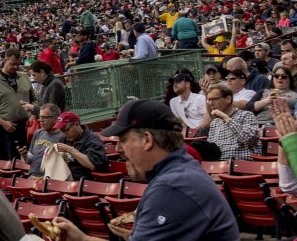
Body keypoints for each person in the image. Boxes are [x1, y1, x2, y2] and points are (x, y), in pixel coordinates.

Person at [54, 99, 239, 240]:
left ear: (148, 140)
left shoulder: (171, 187)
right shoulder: (179, 171)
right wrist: (83, 238)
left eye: (124, 140)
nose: (118, 149)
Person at [0, 48, 35, 160]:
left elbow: (34, 99)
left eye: (18, 64)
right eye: (12, 64)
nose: (15, 67)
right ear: (5, 60)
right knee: (9, 163)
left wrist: (33, 115)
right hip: (6, 129)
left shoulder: (24, 76)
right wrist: (3, 122)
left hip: (26, 126)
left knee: (30, 161)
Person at [201, 83, 259, 161]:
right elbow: (212, 150)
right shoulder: (215, 122)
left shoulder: (247, 115)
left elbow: (248, 140)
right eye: (209, 100)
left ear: (228, 99)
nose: (211, 103)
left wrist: (226, 117)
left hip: (243, 166)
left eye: (214, 99)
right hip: (219, 166)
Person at [52, 111, 107, 180]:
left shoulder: (92, 139)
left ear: (76, 124)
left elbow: (91, 165)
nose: (64, 134)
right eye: (61, 131)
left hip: (85, 182)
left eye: (66, 130)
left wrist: (69, 149)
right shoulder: (64, 139)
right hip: (64, 179)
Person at [17, 103, 63, 179]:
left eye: (44, 117)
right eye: (40, 117)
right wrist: (24, 155)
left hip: (49, 180)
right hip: (32, 177)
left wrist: (42, 178)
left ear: (56, 119)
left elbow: (62, 166)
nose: (41, 120)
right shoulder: (38, 133)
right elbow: (29, 160)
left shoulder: (62, 136)